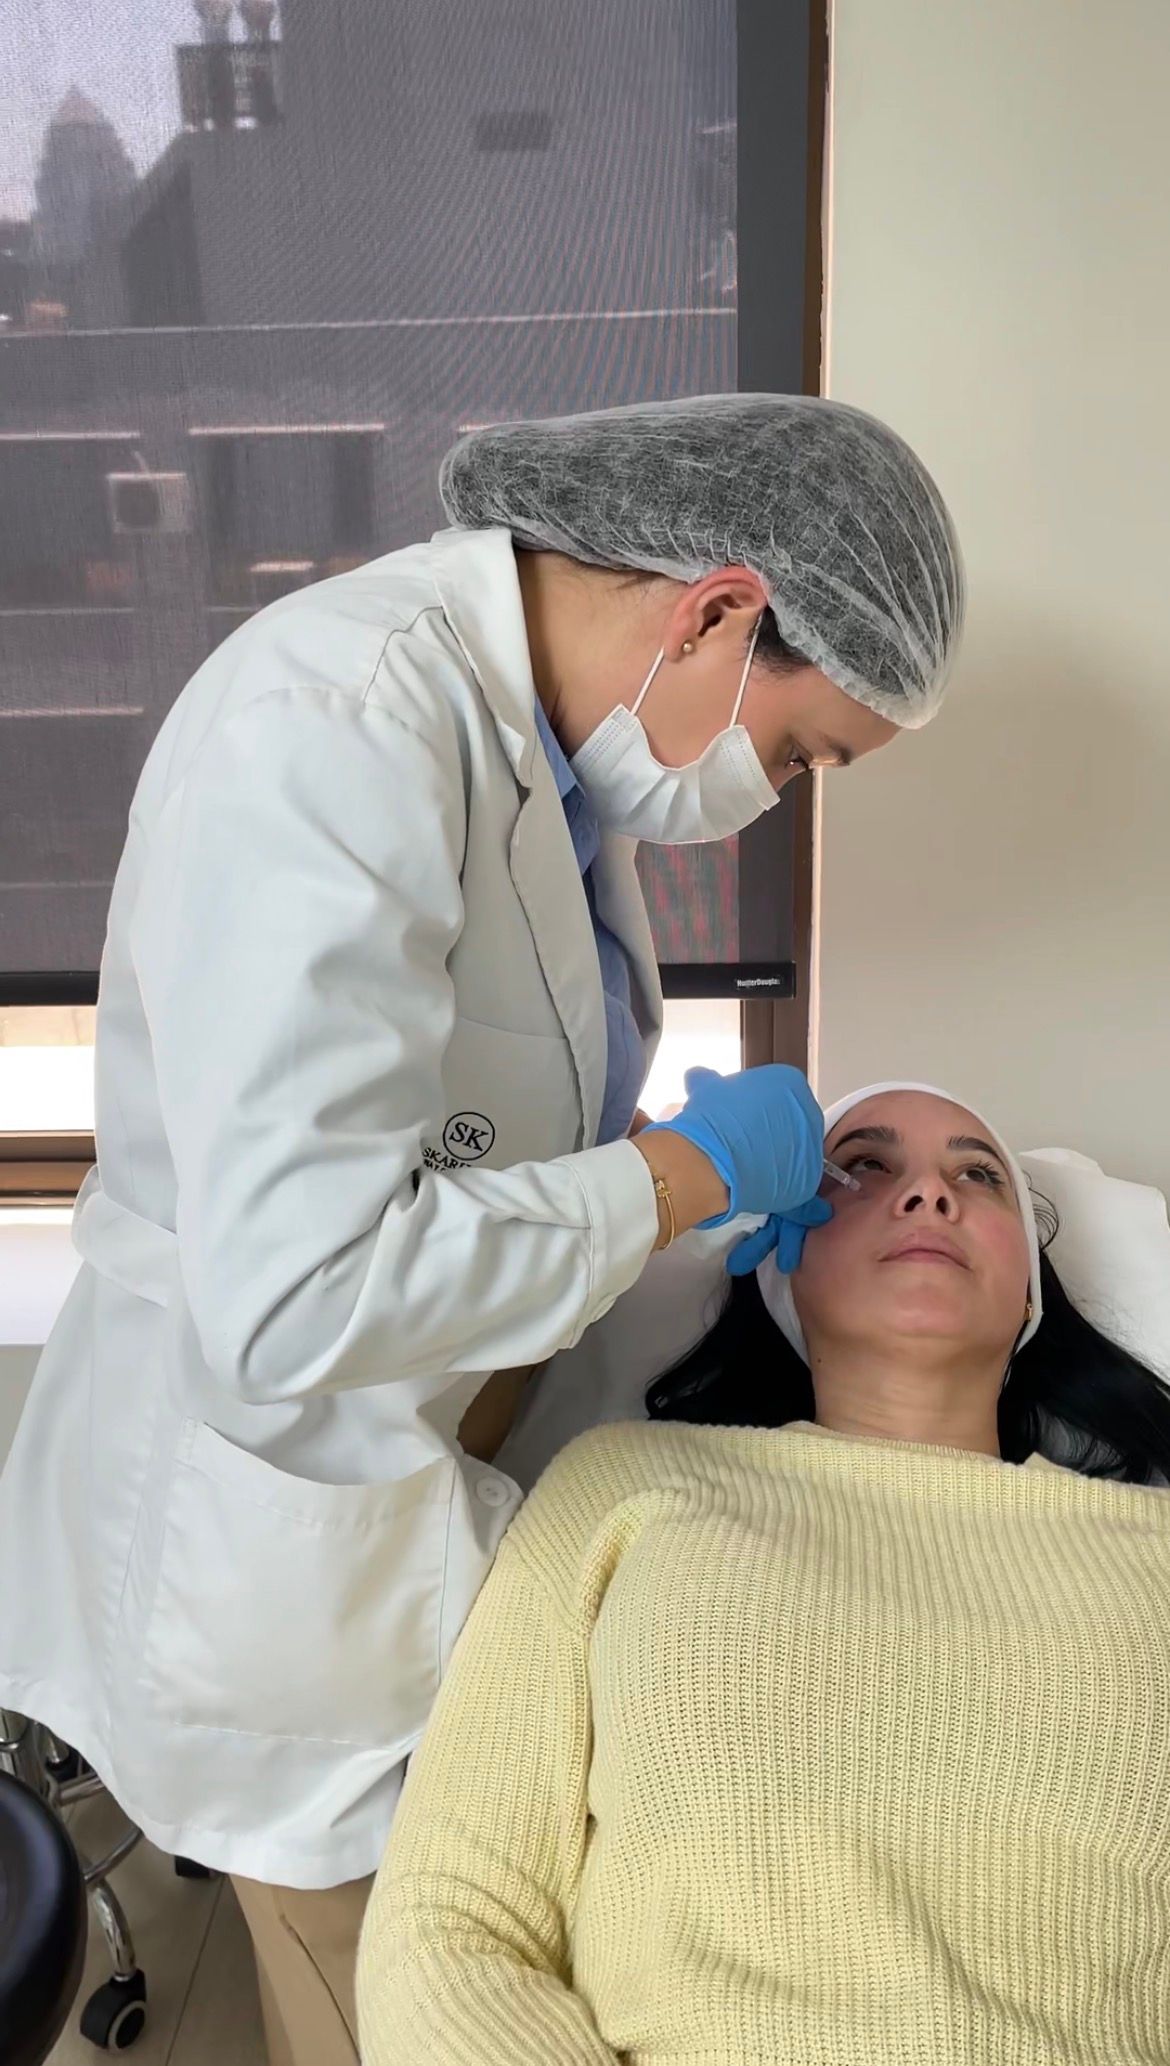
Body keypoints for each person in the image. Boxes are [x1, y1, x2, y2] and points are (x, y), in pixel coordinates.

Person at [0, 396, 962, 2066]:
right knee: (378, 1998)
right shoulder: (333, 731)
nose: (775, 795)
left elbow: (471, 1117)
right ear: (720, 612)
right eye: (803, 750)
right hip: (272, 1517)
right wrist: (680, 1179)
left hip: (430, 1468)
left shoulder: (547, 765)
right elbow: (302, 1292)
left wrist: (658, 1190)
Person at [356, 1084, 1170, 2066]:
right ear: (780, 1265)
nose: (929, 1194)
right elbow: (450, 1918)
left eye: (978, 1175)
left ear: (1029, 1290)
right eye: (865, 1166)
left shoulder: (1153, 1557)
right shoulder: (623, 1488)